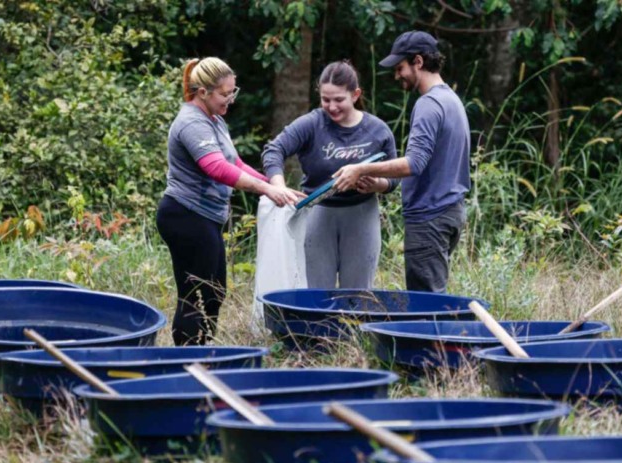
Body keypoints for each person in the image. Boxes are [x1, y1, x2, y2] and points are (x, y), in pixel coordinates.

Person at [157, 57, 303, 346]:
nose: (231, 100)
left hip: (204, 218)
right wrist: (266, 189)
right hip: (185, 215)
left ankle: (203, 349)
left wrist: (273, 185)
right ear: (203, 92)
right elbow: (217, 168)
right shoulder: (190, 123)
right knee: (196, 291)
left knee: (215, 290)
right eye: (225, 94)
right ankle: (189, 355)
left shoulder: (215, 121)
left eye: (233, 92)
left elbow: (234, 162)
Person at [332, 31, 471, 293]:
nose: (397, 76)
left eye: (400, 68)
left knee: (426, 304)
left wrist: (360, 168)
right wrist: (381, 183)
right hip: (451, 212)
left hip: (430, 216)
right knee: (432, 297)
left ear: (418, 62)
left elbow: (414, 164)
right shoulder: (451, 99)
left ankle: (436, 337)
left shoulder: (428, 104)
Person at [262, 61, 398, 289]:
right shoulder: (312, 124)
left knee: (356, 295)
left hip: (361, 214)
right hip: (318, 212)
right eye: (326, 100)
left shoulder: (378, 130)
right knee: (317, 293)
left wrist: (378, 184)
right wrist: (279, 186)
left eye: (339, 100)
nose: (332, 106)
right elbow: (273, 150)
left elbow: (395, 177)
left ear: (355, 95)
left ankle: (353, 327)